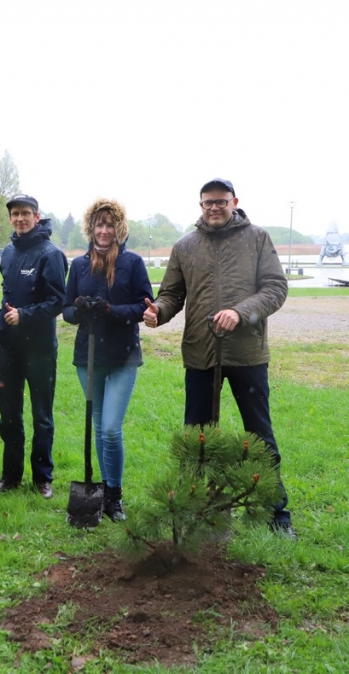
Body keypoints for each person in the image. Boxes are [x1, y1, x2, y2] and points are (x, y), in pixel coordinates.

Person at [143, 178, 295, 539]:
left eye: (221, 201)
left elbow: (276, 288)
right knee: (198, 438)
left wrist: (241, 313)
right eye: (207, 202)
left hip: (247, 355)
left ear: (234, 202)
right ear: (200, 205)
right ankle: (200, 511)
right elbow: (172, 294)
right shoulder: (185, 245)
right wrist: (158, 313)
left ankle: (277, 516)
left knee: (259, 437)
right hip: (200, 354)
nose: (214, 207)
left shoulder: (256, 238)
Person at [62, 198, 153, 521]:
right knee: (98, 427)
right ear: (91, 228)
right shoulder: (79, 265)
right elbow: (67, 309)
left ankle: (114, 496)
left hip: (123, 355)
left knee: (111, 429)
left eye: (110, 224)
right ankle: (99, 492)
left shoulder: (133, 263)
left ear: (119, 229)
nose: (104, 230)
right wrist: (80, 310)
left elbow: (144, 306)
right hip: (88, 357)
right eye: (99, 224)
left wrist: (111, 311)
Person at [0, 194, 68, 499]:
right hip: (9, 348)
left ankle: (42, 478)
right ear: (10, 218)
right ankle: (10, 476)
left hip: (39, 348)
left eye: (26, 213)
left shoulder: (51, 254)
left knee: (41, 416)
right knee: (9, 415)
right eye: (15, 214)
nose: (20, 218)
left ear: (37, 216)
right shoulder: (8, 252)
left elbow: (57, 301)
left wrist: (24, 315)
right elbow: (6, 295)